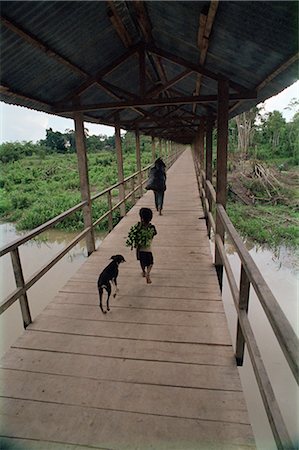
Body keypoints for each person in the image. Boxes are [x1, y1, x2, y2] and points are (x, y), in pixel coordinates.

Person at [126, 207, 157, 284]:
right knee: (150, 263)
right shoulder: (151, 227)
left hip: (140, 249)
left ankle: (143, 271)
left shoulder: (138, 227)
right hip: (148, 249)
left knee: (142, 262)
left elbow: (134, 235)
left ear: (141, 217)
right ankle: (148, 273)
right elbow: (154, 234)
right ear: (150, 218)